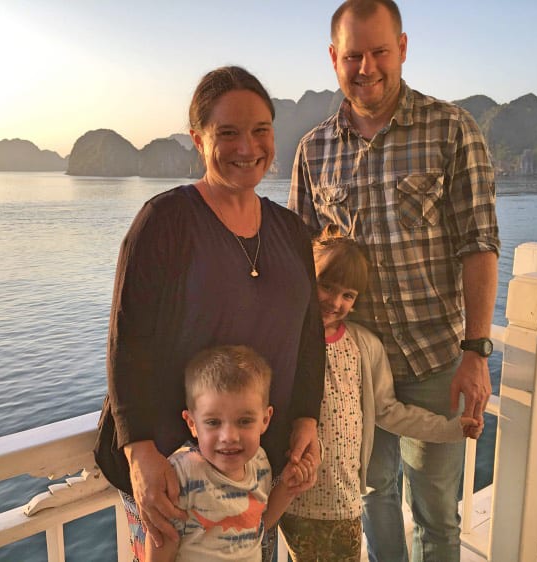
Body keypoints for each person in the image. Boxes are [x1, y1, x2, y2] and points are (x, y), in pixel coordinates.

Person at [288, 1, 500, 560]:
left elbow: (479, 246)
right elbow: (299, 268)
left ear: (402, 48)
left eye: (379, 51)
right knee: (374, 497)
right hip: (355, 369)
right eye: (352, 55)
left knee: (437, 513)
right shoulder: (315, 150)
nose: (367, 67)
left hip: (435, 360)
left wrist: (476, 351)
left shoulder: (451, 129)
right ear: (334, 58)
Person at [94, 65, 325, 562]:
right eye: (228, 133)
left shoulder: (289, 230)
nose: (248, 146)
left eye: (261, 130)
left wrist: (307, 418)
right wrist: (140, 453)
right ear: (198, 140)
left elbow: (309, 337)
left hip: (252, 468)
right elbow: (125, 341)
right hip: (173, 472)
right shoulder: (164, 222)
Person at [279, 228, 483, 562]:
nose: (335, 301)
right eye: (326, 286)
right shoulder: (284, 339)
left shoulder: (364, 347)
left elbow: (390, 411)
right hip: (288, 489)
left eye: (348, 295)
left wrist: (451, 428)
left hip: (342, 497)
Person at [148, 345, 315, 562]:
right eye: (213, 422)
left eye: (244, 421)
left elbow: (258, 524)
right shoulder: (181, 473)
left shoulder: (260, 463)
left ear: (265, 419)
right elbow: (162, 543)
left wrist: (287, 488)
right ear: (192, 423)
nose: (229, 436)